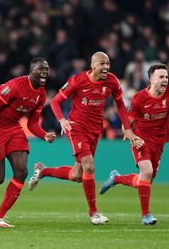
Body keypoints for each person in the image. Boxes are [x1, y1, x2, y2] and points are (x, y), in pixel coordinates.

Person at [28, 51, 142, 225]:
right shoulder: (78, 81)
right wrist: (62, 120)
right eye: (102, 64)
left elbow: (120, 103)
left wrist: (127, 128)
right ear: (93, 65)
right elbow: (56, 101)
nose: (106, 67)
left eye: (108, 63)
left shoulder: (112, 81)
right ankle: (94, 213)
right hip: (77, 128)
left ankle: (43, 171)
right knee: (89, 165)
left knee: (77, 175)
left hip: (95, 130)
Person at [99, 63, 169, 225]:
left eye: (166, 77)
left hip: (159, 142)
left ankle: (116, 178)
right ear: (151, 79)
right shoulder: (139, 98)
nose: (165, 80)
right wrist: (129, 133)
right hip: (141, 139)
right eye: (161, 77)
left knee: (145, 180)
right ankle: (146, 216)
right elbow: (128, 121)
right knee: (146, 172)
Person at [0, 58, 56, 228]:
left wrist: (44, 135)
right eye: (40, 69)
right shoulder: (15, 86)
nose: (44, 72)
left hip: (14, 129)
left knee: (21, 171)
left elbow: (32, 124)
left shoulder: (41, 94)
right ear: (31, 71)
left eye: (46, 69)